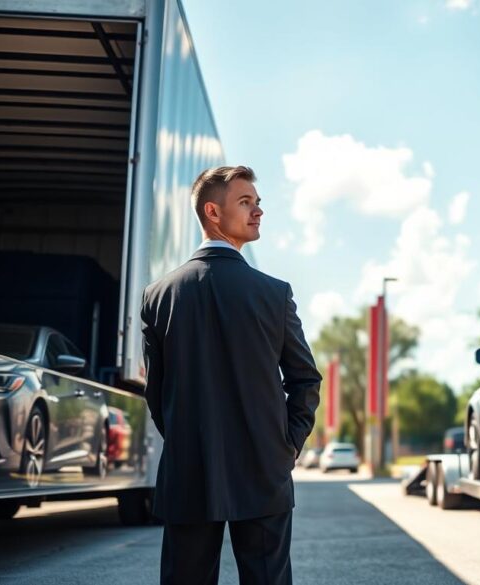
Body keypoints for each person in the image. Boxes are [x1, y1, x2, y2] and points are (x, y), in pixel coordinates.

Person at [141, 165, 322, 585]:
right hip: (264, 469)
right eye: (246, 202)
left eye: (258, 203)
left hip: (189, 470)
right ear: (213, 212)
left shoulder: (158, 295)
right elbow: (305, 380)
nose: (258, 211)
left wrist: (188, 441)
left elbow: (157, 393)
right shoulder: (274, 294)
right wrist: (287, 446)